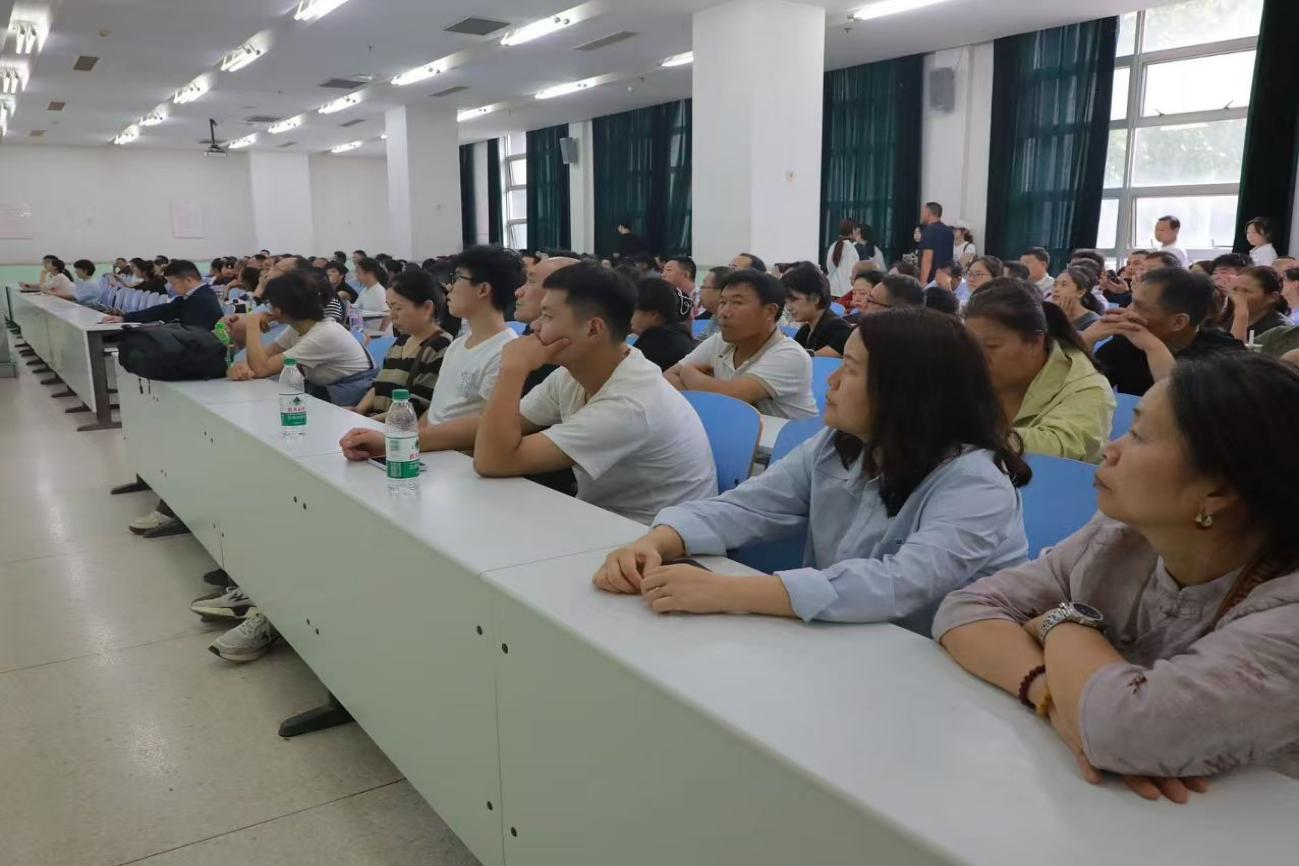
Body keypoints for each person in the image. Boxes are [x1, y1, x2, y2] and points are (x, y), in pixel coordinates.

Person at [935, 353, 1299, 793]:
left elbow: (1126, 731)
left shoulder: (1286, 613)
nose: (1111, 448)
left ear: (1218, 492)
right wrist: (1052, 696)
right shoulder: (1123, 535)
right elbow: (966, 609)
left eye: (1140, 436)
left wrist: (1062, 622)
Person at [594, 308, 1030, 633]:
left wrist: (726, 591)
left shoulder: (976, 481)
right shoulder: (839, 445)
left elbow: (898, 584)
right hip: (842, 640)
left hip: (937, 667)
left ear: (908, 392)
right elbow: (749, 506)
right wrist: (657, 540)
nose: (831, 381)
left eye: (851, 370)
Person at [341, 263, 718, 524]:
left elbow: (493, 461)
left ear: (593, 329)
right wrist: (400, 441)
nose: (535, 326)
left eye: (549, 317)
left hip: (651, 543)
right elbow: (488, 425)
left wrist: (513, 368)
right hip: (599, 523)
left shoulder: (631, 402)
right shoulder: (575, 374)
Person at [965, 280, 1115, 463]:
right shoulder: (970, 371)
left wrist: (966, 438)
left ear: (1035, 342)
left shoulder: (1087, 386)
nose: (977, 357)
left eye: (991, 346)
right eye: (971, 346)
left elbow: (1061, 447)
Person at [666, 269, 817, 419]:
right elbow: (667, 378)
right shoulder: (719, 341)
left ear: (770, 311)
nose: (724, 313)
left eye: (737, 303)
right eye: (722, 302)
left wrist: (688, 373)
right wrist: (707, 392)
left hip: (787, 434)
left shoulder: (790, 355)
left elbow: (729, 396)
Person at [1085, 267, 1243, 396]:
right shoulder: (1126, 342)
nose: (1128, 312)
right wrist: (1086, 340)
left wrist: (1153, 348)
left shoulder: (1225, 354)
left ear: (1178, 322)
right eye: (1131, 302)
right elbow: (1081, 392)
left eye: (1139, 307)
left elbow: (1178, 407)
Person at [227, 271, 374, 405]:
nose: (268, 310)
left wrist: (252, 323)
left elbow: (261, 369)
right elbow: (261, 360)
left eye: (269, 303)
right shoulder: (298, 328)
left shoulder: (323, 334)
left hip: (355, 393)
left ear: (281, 308)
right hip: (329, 388)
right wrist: (241, 369)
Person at [352, 269, 452, 419]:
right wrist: (358, 411)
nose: (392, 315)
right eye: (389, 307)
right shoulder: (402, 341)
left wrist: (369, 422)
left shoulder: (440, 347)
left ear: (427, 308)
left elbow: (418, 406)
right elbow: (379, 386)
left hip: (399, 426)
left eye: (398, 308)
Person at [100, 260, 222, 328]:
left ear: (188, 280)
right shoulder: (196, 295)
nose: (172, 288)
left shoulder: (201, 300)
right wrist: (125, 318)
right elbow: (163, 310)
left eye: (173, 283)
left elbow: (196, 332)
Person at [785, 263, 853, 357]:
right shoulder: (805, 331)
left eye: (793, 300)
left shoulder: (838, 328)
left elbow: (821, 360)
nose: (789, 307)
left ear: (815, 299)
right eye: (786, 302)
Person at [630, 277, 696, 371]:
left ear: (653, 315)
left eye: (633, 310)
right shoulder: (679, 334)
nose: (629, 315)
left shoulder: (653, 347)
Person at [1227, 265, 1291, 342]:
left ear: (1273, 297)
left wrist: (1241, 315)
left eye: (1246, 291)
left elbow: (1235, 348)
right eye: (1235, 289)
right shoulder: (1226, 319)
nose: (1237, 296)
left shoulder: (1281, 329)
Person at [1051, 266, 1106, 332]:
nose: (1056, 289)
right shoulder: (1049, 314)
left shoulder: (1093, 322)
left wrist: (1064, 321)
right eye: (1055, 285)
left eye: (1063, 285)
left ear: (1080, 292)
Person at [917, 201, 955, 285]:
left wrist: (923, 282)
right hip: (946, 278)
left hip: (931, 279)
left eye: (923, 212)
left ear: (928, 213)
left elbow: (927, 257)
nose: (922, 215)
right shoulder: (949, 231)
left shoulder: (929, 231)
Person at [353, 256, 390, 336]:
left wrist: (380, 334)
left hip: (380, 335)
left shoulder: (379, 291)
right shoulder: (364, 290)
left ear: (370, 273)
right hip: (368, 333)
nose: (356, 275)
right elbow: (355, 309)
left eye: (358, 272)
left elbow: (388, 315)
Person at [825, 219, 860, 300]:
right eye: (856, 231)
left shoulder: (834, 246)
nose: (857, 233)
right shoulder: (851, 248)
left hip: (832, 290)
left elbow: (829, 267)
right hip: (845, 292)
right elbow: (854, 270)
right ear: (852, 230)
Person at [695, 265, 729, 337]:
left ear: (721, 291)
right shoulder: (715, 317)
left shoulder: (731, 322)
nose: (700, 290)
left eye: (703, 286)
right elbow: (700, 341)